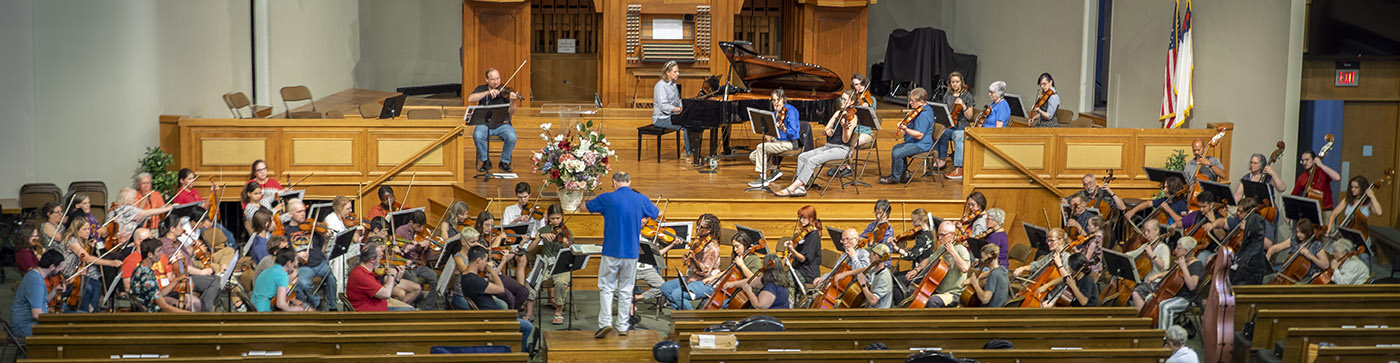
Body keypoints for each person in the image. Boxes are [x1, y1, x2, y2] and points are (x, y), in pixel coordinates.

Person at [584, 171, 659, 338]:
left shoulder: (607, 198)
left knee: (606, 287)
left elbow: (587, 207)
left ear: (614, 182)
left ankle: (605, 323)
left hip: (611, 250)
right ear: (629, 182)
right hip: (631, 252)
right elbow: (655, 213)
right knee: (626, 289)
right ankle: (623, 326)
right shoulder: (640, 199)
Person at [773, 90, 858, 197]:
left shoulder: (853, 118)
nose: (842, 101)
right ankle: (801, 187)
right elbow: (824, 130)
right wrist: (828, 131)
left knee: (812, 160)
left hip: (842, 149)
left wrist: (845, 128)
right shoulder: (837, 113)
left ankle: (793, 187)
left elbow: (846, 140)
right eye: (842, 99)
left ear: (852, 101)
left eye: (845, 100)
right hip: (829, 146)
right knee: (802, 156)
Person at [458, 244, 535, 351]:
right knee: (527, 326)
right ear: (479, 260)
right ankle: (518, 355)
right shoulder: (474, 281)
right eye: (485, 260)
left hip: (491, 314)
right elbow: (500, 289)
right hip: (492, 319)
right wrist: (492, 271)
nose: (486, 263)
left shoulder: (466, 276)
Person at [57, 217, 123, 312]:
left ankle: (91, 309)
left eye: (88, 229)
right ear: (76, 230)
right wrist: (111, 263)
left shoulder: (82, 240)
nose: (88, 232)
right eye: (84, 229)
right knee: (88, 288)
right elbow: (86, 258)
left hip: (76, 273)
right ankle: (84, 311)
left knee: (97, 285)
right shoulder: (72, 241)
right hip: (66, 274)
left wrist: (89, 245)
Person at [659, 214, 722, 310]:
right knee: (665, 288)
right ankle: (681, 313)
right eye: (697, 225)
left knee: (677, 294)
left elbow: (705, 271)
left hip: (706, 282)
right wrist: (688, 258)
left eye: (700, 227)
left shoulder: (712, 247)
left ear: (709, 230)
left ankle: (691, 319)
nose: (697, 228)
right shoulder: (699, 242)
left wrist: (694, 259)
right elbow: (694, 262)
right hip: (692, 278)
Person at [467, 68, 521, 172]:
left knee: (512, 137)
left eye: (498, 78)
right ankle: (486, 161)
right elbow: (470, 98)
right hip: (484, 123)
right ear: (487, 80)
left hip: (502, 124)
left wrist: (513, 101)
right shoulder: (481, 88)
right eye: (492, 79)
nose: (496, 82)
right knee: (477, 136)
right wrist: (488, 92)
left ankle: (504, 161)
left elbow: (512, 112)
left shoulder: (506, 91)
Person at [905, 221, 970, 308]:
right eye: (939, 235)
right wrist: (916, 269)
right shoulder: (942, 248)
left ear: (952, 234)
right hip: (938, 291)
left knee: (933, 301)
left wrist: (952, 252)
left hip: (953, 293)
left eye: (943, 235)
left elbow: (965, 268)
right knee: (911, 293)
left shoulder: (961, 249)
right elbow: (929, 260)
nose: (939, 238)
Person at [528, 205, 574, 325]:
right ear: (548, 218)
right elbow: (529, 249)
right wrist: (540, 238)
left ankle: (558, 312)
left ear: (562, 217)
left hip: (561, 266)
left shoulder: (567, 232)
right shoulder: (543, 230)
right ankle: (529, 313)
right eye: (552, 218)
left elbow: (570, 252)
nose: (555, 221)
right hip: (546, 265)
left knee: (561, 282)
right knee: (531, 280)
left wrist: (565, 245)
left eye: (558, 218)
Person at [747, 89, 801, 188]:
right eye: (773, 100)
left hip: (789, 143)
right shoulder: (777, 112)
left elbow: (794, 133)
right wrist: (769, 135)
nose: (775, 103)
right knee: (752, 156)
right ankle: (774, 170)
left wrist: (784, 129)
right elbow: (775, 131)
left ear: (784, 99)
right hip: (777, 141)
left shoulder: (791, 111)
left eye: (777, 100)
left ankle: (762, 177)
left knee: (760, 147)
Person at [880, 87, 934, 184]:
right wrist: (904, 127)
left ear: (921, 101)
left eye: (913, 101)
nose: (910, 103)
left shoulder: (924, 115)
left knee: (897, 153)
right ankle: (904, 173)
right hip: (914, 142)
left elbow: (919, 135)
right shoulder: (919, 110)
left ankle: (895, 178)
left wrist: (906, 129)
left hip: (921, 144)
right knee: (896, 148)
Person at [347, 239, 415, 311]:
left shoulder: (368, 272)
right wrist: (391, 275)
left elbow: (382, 291)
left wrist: (397, 279)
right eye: (380, 257)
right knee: (410, 311)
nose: (382, 260)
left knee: (410, 309)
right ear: (372, 260)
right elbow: (386, 294)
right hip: (370, 313)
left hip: (379, 305)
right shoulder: (360, 275)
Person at [931, 72, 976, 179]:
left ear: (961, 82)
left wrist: (963, 104)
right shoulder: (948, 95)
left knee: (949, 133)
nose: (955, 84)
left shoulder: (967, 96)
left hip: (962, 125)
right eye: (953, 82)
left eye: (957, 82)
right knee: (940, 131)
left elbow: (969, 117)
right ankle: (941, 159)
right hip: (950, 124)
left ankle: (954, 166)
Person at [129, 238, 191, 313]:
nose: (161, 253)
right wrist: (188, 314)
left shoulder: (139, 269)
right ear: (150, 255)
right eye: (158, 251)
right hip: (151, 315)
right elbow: (164, 306)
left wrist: (177, 280)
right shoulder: (146, 275)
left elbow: (159, 294)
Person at [11, 250, 63, 337]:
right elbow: (37, 314)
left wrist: (55, 290)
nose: (60, 270)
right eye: (60, 267)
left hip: (28, 324)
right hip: (24, 327)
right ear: (52, 266)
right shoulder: (35, 281)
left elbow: (42, 301)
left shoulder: (34, 274)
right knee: (61, 331)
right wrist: (54, 321)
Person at [1154, 237, 1203, 329]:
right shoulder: (1184, 261)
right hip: (1178, 295)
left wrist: (1184, 267)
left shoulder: (1196, 265)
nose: (1175, 250)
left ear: (1185, 251)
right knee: (1152, 297)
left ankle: (1166, 337)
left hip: (1189, 299)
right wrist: (1158, 275)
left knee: (1165, 306)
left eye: (1178, 248)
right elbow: (1174, 273)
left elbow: (1192, 286)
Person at [392, 209, 440, 296]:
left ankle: (428, 307)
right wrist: (408, 248)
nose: (422, 229)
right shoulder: (400, 231)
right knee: (416, 283)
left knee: (435, 277)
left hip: (419, 265)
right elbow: (397, 254)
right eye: (418, 226)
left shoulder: (424, 233)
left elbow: (429, 258)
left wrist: (427, 248)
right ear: (411, 222)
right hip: (407, 267)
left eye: (423, 226)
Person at [651, 60, 692, 156]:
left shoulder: (673, 85)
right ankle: (688, 153)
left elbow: (678, 101)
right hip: (661, 119)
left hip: (671, 116)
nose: (678, 74)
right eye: (675, 71)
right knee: (686, 126)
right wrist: (678, 109)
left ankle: (689, 150)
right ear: (667, 72)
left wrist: (686, 106)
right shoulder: (661, 86)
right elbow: (664, 106)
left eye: (678, 71)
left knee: (691, 122)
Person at [1128, 220, 1172, 308]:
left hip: (1156, 282)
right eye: (1145, 231)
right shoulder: (1147, 245)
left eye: (1149, 231)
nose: (1146, 234)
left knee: (1136, 293)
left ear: (1157, 231)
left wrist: (1152, 255)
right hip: (1145, 281)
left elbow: (1165, 266)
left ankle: (1144, 318)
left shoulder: (1163, 248)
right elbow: (1132, 254)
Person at [723, 254, 791, 309]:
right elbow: (754, 281)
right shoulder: (774, 278)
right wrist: (733, 284)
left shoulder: (771, 286)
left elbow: (760, 306)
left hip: (770, 320)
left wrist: (749, 291)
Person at [1328, 176, 1383, 242]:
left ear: (1362, 188)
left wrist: (1372, 196)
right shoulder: (1347, 200)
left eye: (1356, 187)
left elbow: (1379, 212)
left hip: (1362, 235)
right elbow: (1334, 213)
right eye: (1351, 187)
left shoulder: (1368, 203)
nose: (1352, 189)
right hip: (1347, 233)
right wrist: (1329, 228)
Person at [1124, 175, 1188, 229]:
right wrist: (1133, 211)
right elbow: (1148, 203)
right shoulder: (1164, 200)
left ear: (1173, 189)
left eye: (1166, 187)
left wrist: (1168, 209)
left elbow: (1182, 221)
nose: (1164, 190)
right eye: (1164, 187)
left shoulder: (1181, 204)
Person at [785, 206, 824, 285]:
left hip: (808, 273)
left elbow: (803, 258)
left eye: (804, 218)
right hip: (799, 269)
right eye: (800, 218)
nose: (801, 220)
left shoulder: (813, 236)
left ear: (811, 218)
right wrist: (790, 255)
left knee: (785, 279)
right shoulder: (804, 233)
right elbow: (800, 251)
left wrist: (792, 249)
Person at [1063, 173, 1127, 214]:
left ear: (1096, 182)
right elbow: (1064, 200)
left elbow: (1122, 207)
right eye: (1085, 185)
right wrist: (1068, 207)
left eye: (1090, 183)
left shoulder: (1106, 194)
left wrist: (1111, 192)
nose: (1088, 186)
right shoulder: (1081, 194)